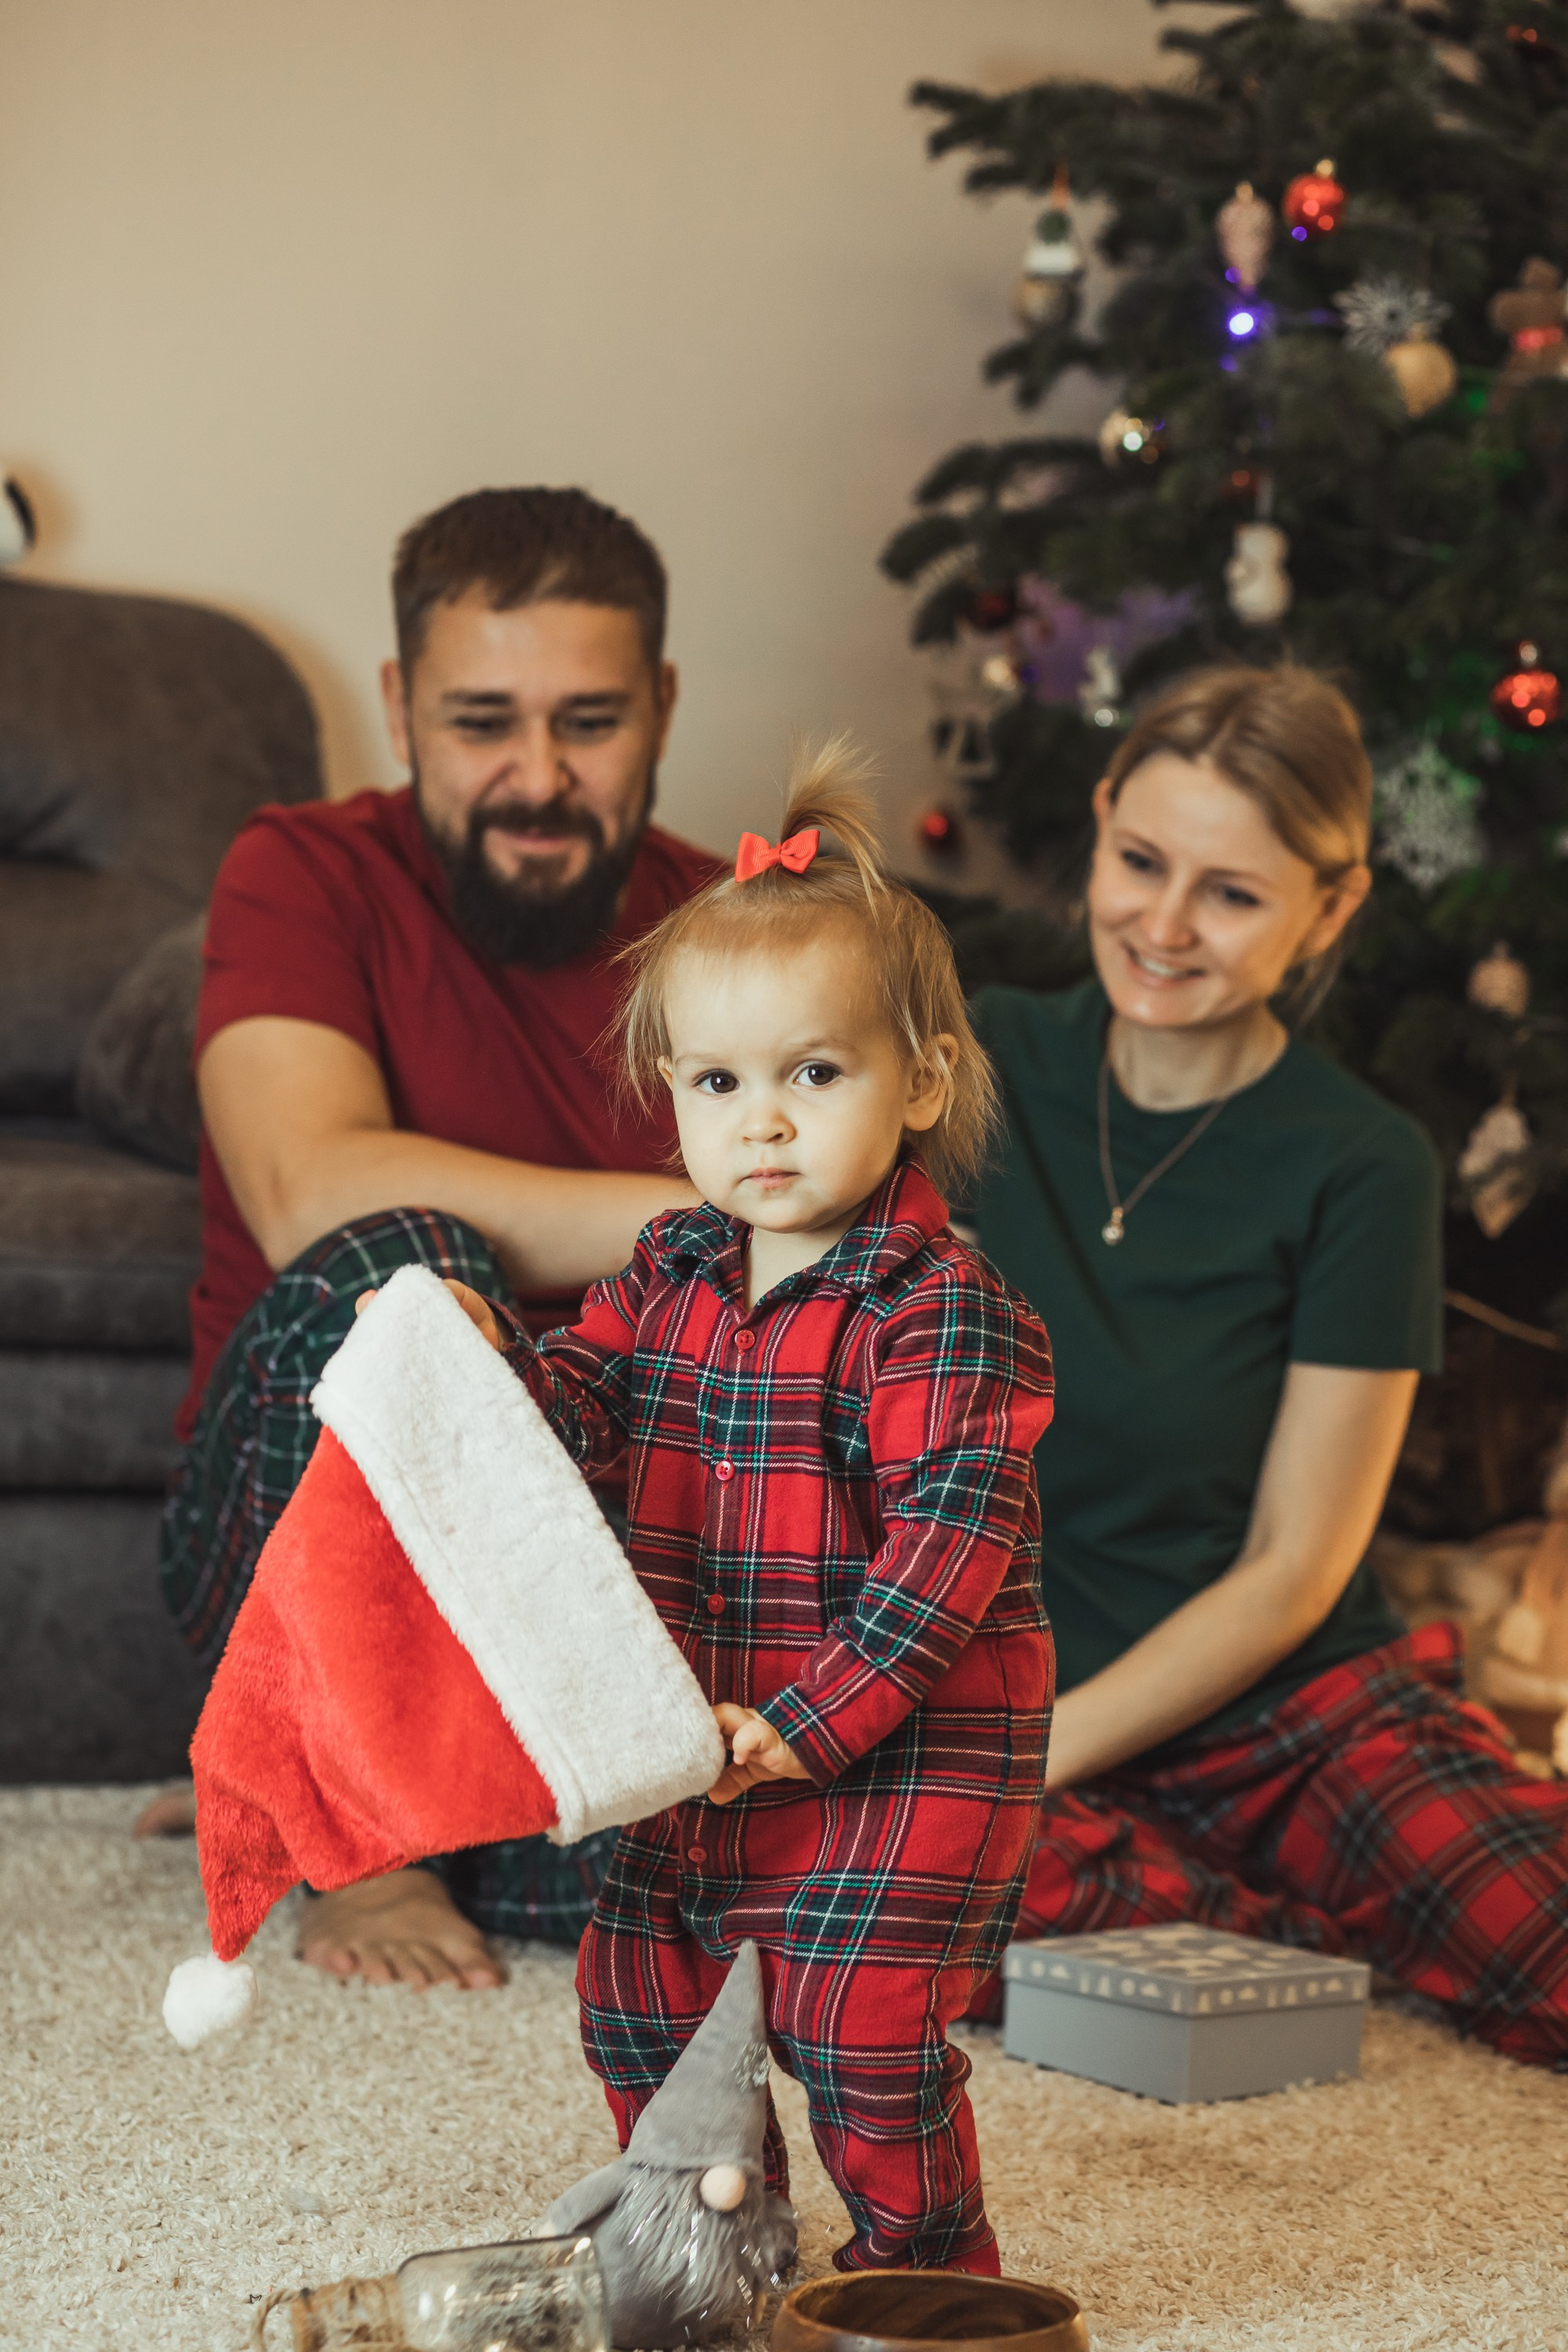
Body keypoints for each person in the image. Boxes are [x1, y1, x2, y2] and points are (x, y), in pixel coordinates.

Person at [430, 746, 1055, 2271]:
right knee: (637, 1995)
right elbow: (583, 1407)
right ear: (672, 1096)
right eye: (718, 1083)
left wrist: (815, 1717)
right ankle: (709, 2247)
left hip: (899, 1747)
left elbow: (950, 1546)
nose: (760, 1124)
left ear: (921, 1083)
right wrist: (488, 1364)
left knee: (858, 2026)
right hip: (700, 1731)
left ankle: (926, 2275)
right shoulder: (670, 1269)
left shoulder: (940, 1309)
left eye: (812, 1075)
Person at [150, 486, 721, 1990]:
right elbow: (308, 1187)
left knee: (734, 1887)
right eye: (482, 723)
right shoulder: (302, 871)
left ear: (662, 706)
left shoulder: (736, 934)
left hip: (588, 1555)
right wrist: (711, 1212)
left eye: (590, 722)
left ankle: (306, 1793)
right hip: (290, 1519)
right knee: (394, 1261)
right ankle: (358, 1842)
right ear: (402, 708)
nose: (538, 778)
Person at [967, 662, 1568, 2069]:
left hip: (1288, 1714)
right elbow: (739, 1206)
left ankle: (1242, 1917)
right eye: (1140, 862)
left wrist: (1043, 1755)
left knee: (1541, 1930)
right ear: (1101, 823)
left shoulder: (1364, 1162)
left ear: (1332, 909)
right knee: (886, 1895)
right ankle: (1293, 1948)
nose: (1164, 926)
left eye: (1231, 894)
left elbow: (1297, 1568)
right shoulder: (978, 1058)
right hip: (1000, 1695)